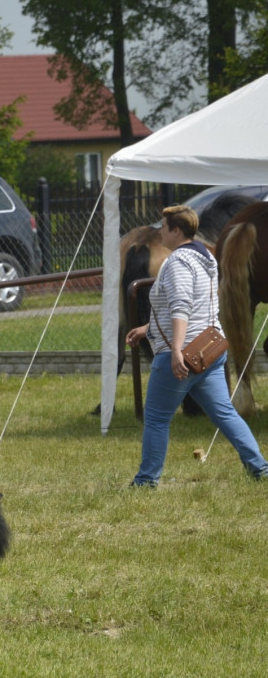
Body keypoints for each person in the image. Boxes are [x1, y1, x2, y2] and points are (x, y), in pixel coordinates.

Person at [126, 205, 268, 487]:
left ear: (176, 230)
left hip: (182, 353)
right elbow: (199, 305)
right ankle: (260, 469)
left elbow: (181, 307)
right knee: (225, 414)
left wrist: (176, 350)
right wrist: (149, 328)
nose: (160, 232)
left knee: (155, 418)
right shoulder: (207, 258)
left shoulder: (177, 263)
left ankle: (146, 480)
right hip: (210, 349)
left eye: (164, 227)